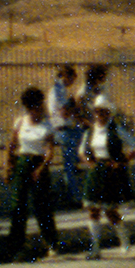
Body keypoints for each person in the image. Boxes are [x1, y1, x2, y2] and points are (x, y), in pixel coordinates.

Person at [5, 85, 61, 259]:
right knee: (18, 205)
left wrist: (41, 168)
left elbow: (49, 151)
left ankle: (51, 243)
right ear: (30, 106)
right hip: (22, 162)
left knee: (42, 205)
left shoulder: (47, 125)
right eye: (38, 104)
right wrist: (8, 166)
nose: (41, 107)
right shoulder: (20, 122)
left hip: (38, 163)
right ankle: (16, 245)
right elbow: (12, 145)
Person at [79, 95, 135, 258]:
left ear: (108, 113)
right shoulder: (90, 131)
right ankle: (95, 248)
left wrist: (122, 162)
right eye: (97, 112)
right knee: (93, 210)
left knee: (110, 211)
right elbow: (82, 151)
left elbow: (134, 145)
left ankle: (124, 240)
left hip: (110, 171)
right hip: (96, 170)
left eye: (103, 112)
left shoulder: (115, 129)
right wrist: (90, 163)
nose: (100, 115)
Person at [47, 65, 87, 208]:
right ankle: (73, 196)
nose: (72, 83)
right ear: (66, 76)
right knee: (69, 166)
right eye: (72, 79)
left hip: (69, 129)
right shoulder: (57, 90)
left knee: (87, 137)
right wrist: (74, 104)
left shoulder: (61, 90)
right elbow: (64, 112)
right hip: (62, 130)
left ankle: (76, 164)